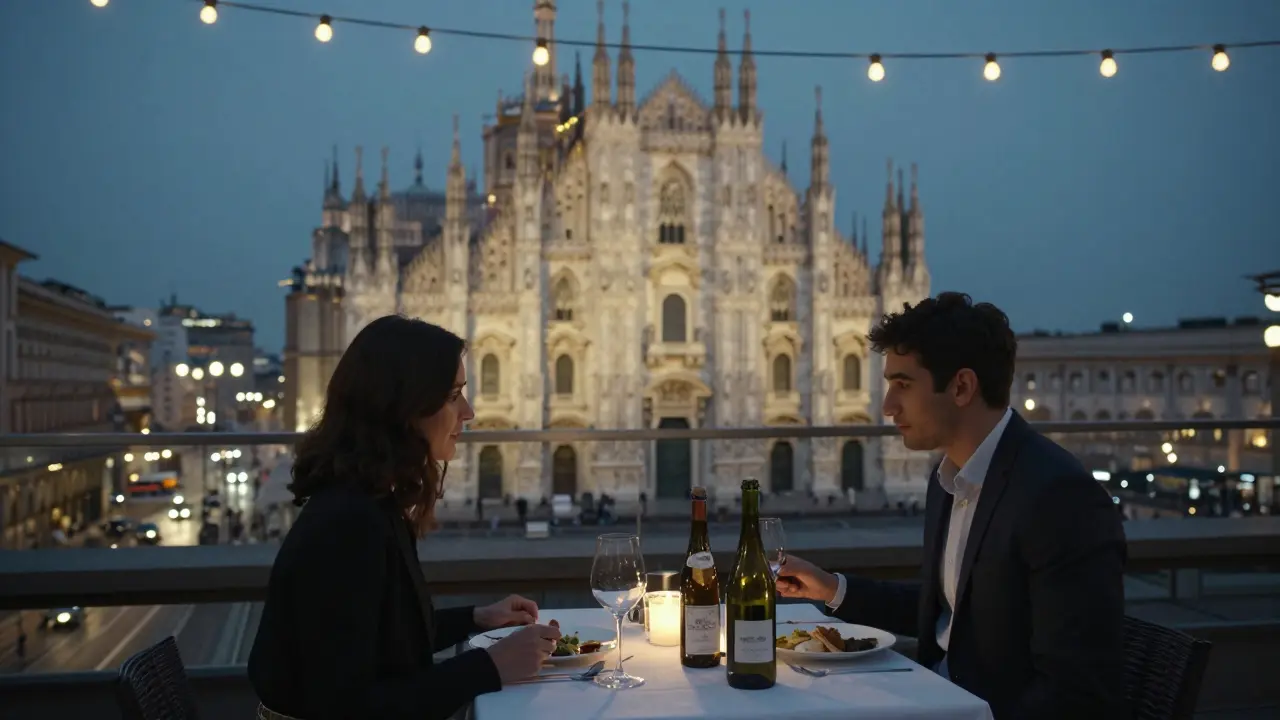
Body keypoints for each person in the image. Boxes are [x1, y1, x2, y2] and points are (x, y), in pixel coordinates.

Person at [778, 292, 1128, 720]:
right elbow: (952, 614)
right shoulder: (950, 480)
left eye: (902, 385)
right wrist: (832, 588)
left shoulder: (1058, 497)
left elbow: (1077, 692)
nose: (887, 406)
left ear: (961, 387)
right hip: (932, 698)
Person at [248, 315, 561, 720]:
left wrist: (476, 619)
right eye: (452, 395)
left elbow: (382, 641)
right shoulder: (348, 525)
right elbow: (348, 707)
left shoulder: (368, 501)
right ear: (405, 408)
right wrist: (489, 667)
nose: (468, 412)